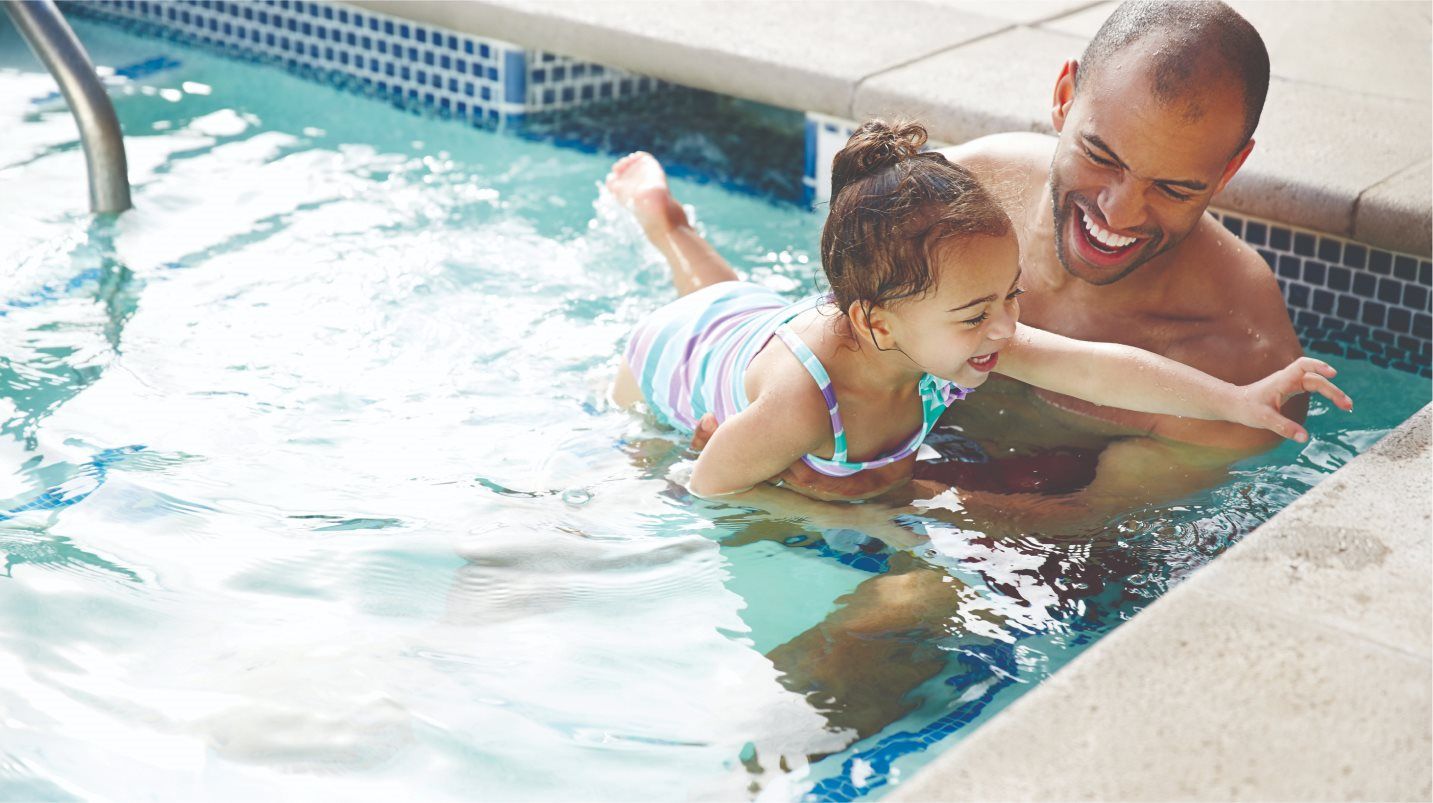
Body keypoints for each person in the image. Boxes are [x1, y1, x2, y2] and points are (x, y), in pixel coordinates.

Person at [611, 119, 1348, 505]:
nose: (1005, 328)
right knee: (690, 347)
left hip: (757, 323)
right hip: (668, 357)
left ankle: (666, 223)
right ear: (878, 324)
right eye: (975, 314)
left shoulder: (946, 329)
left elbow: (1104, 372)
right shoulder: (799, 409)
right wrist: (821, 504)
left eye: (1011, 297)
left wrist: (1238, 400)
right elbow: (702, 494)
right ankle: (666, 226)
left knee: (737, 301)